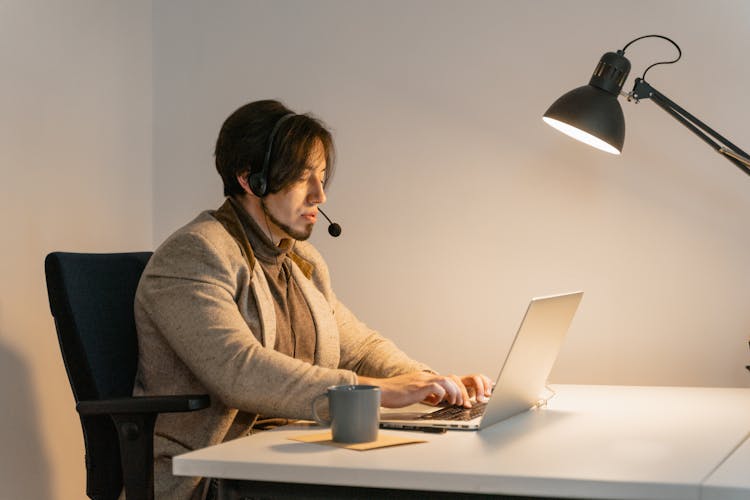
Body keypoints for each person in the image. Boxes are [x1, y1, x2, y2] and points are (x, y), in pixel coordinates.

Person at [133, 99, 492, 499]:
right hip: (212, 471)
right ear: (253, 181)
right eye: (304, 178)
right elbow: (240, 371)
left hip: (292, 452)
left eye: (321, 178)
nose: (320, 195)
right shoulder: (196, 255)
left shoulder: (300, 260)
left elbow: (358, 349)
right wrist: (375, 391)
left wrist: (431, 383)